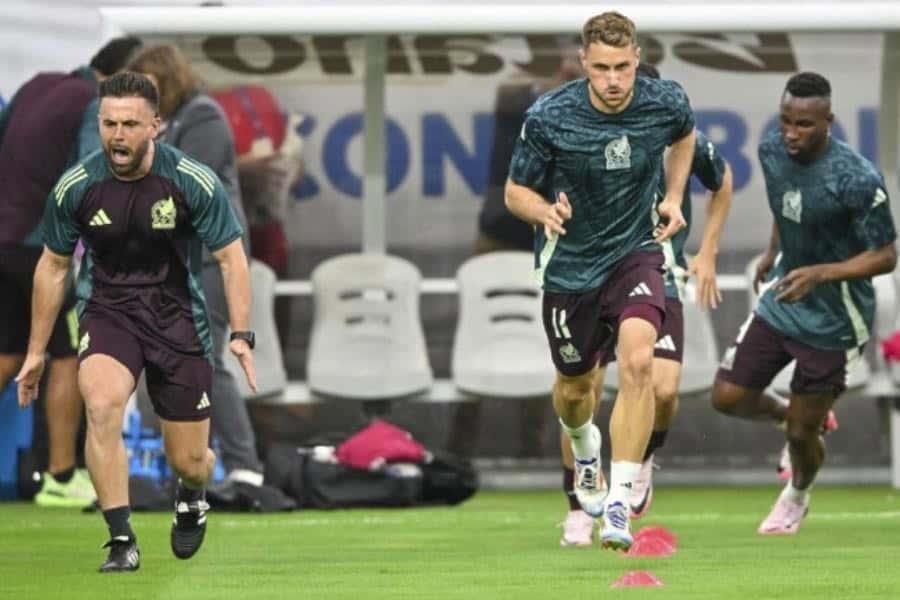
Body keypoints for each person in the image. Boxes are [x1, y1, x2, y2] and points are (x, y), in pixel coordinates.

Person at [15, 72, 257, 572]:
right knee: (101, 406)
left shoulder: (191, 180)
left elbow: (232, 258)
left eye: (129, 124)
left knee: (189, 460)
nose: (117, 135)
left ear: (155, 127)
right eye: (109, 124)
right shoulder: (77, 187)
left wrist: (240, 334)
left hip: (178, 319)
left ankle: (193, 494)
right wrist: (37, 350)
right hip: (109, 311)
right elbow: (53, 265)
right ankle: (121, 538)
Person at [505, 11, 696, 551]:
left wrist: (675, 196)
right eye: (601, 68)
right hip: (570, 266)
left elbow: (684, 136)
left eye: (622, 67)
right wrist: (543, 212)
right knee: (574, 390)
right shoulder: (549, 116)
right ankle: (583, 448)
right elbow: (515, 191)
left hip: (635, 253)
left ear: (637, 60)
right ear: (584, 64)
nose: (613, 80)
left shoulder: (666, 101)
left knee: (638, 363)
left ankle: (618, 502)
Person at [712, 72, 897, 535]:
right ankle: (790, 415)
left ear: (828, 121)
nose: (792, 134)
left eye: (805, 125)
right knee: (728, 397)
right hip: (783, 296)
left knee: (801, 436)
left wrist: (821, 273)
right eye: (786, 121)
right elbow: (785, 204)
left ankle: (796, 496)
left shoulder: (857, 178)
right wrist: (775, 251)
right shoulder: (772, 150)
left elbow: (886, 256)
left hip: (836, 316)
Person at [557, 62, 734, 546]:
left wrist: (709, 252)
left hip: (656, 271)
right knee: (582, 390)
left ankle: (643, 458)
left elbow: (723, 180)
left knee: (663, 387)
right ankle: (578, 505)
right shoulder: (584, 133)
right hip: (592, 276)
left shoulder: (678, 134)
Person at [0, 36, 141, 508]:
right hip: (42, 247)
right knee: (64, 357)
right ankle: (61, 475)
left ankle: (60, 472)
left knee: (6, 354)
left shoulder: (38, 84)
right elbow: (88, 175)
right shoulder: (94, 104)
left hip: (3, 235)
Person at [129, 45, 266, 490]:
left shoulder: (202, 116)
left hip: (210, 255)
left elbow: (190, 186)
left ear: (167, 79)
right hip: (175, 256)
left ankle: (245, 465)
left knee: (205, 359)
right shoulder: (168, 123)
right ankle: (186, 467)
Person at [447, 44, 582, 460]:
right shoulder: (523, 100)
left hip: (553, 238)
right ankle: (458, 444)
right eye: (572, 64)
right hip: (499, 232)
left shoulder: (589, 115)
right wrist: (561, 84)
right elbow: (510, 93)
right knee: (476, 331)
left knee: (549, 337)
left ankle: (533, 446)